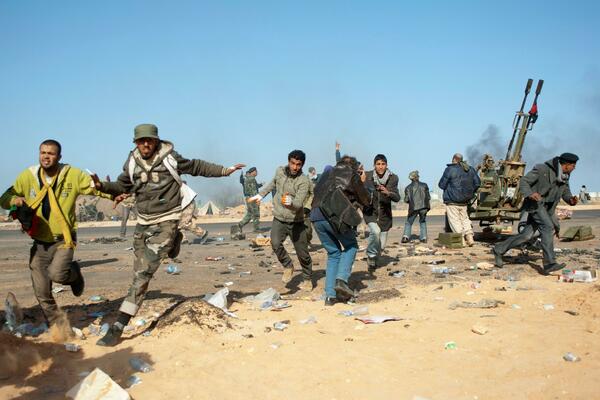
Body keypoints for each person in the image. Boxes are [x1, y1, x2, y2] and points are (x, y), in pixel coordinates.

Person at [93, 124, 243, 346]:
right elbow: (122, 185)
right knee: (138, 269)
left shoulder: (169, 157)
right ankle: (174, 243)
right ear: (135, 142)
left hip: (167, 220)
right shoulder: (132, 161)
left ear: (156, 141)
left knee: (143, 274)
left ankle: (119, 325)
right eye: (141, 141)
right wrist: (102, 186)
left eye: (149, 140)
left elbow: (196, 166)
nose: (145, 144)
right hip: (143, 222)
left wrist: (224, 170)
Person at [0, 139, 111, 326]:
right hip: (39, 243)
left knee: (58, 275)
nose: (46, 156)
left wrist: (116, 194)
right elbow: (4, 198)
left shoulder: (72, 175)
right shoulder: (28, 176)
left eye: (51, 153)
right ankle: (58, 327)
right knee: (42, 292)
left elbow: (97, 189)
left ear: (59, 157)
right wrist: (15, 200)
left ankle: (74, 274)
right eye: (43, 152)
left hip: (63, 241)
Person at [493, 153, 579, 274]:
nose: (574, 168)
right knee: (547, 227)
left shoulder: (565, 176)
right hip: (535, 205)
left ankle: (499, 249)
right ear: (566, 165)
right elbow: (523, 182)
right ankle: (549, 263)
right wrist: (530, 194)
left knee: (526, 236)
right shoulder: (542, 169)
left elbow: (565, 191)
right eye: (573, 166)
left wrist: (570, 199)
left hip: (547, 209)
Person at [249, 150, 313, 290]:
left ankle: (307, 278)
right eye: (292, 163)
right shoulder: (280, 171)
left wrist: (291, 203)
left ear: (302, 165)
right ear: (288, 161)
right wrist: (260, 195)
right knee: (275, 243)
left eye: (298, 164)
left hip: (296, 221)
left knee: (302, 253)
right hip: (279, 218)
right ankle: (288, 266)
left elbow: (299, 203)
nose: (295, 167)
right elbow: (272, 184)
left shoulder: (304, 181)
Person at [311, 157, 370, 305]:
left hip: (316, 216)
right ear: (354, 167)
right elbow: (366, 200)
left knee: (333, 253)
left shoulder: (327, 173)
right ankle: (342, 280)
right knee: (351, 246)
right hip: (333, 215)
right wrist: (362, 182)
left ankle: (330, 296)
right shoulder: (352, 174)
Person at [363, 154, 400, 271]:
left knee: (382, 246)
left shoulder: (393, 178)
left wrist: (388, 192)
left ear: (386, 165)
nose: (380, 167)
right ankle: (371, 255)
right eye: (378, 164)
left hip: (385, 215)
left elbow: (397, 197)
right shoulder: (367, 176)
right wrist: (361, 181)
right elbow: (358, 190)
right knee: (375, 231)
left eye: (383, 164)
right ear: (374, 165)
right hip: (370, 212)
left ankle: (374, 258)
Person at [438, 153, 481, 246]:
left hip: (452, 201)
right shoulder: (470, 169)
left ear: (453, 159)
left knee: (455, 221)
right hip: (465, 201)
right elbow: (477, 183)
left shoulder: (449, 169)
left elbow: (441, 185)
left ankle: (461, 241)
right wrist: (470, 192)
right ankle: (470, 238)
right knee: (465, 219)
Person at [403, 170, 431, 243]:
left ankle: (405, 237)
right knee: (422, 221)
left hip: (413, 208)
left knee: (409, 222)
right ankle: (424, 238)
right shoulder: (424, 185)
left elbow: (406, 200)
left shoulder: (408, 188)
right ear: (417, 177)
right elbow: (428, 197)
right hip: (424, 207)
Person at [236, 167, 262, 233]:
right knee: (256, 214)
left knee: (249, 214)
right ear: (253, 172)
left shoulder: (247, 179)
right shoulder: (252, 179)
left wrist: (261, 184)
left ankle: (240, 225)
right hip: (252, 198)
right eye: (256, 171)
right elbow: (254, 190)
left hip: (248, 198)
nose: (257, 173)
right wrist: (257, 199)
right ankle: (256, 229)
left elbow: (254, 187)